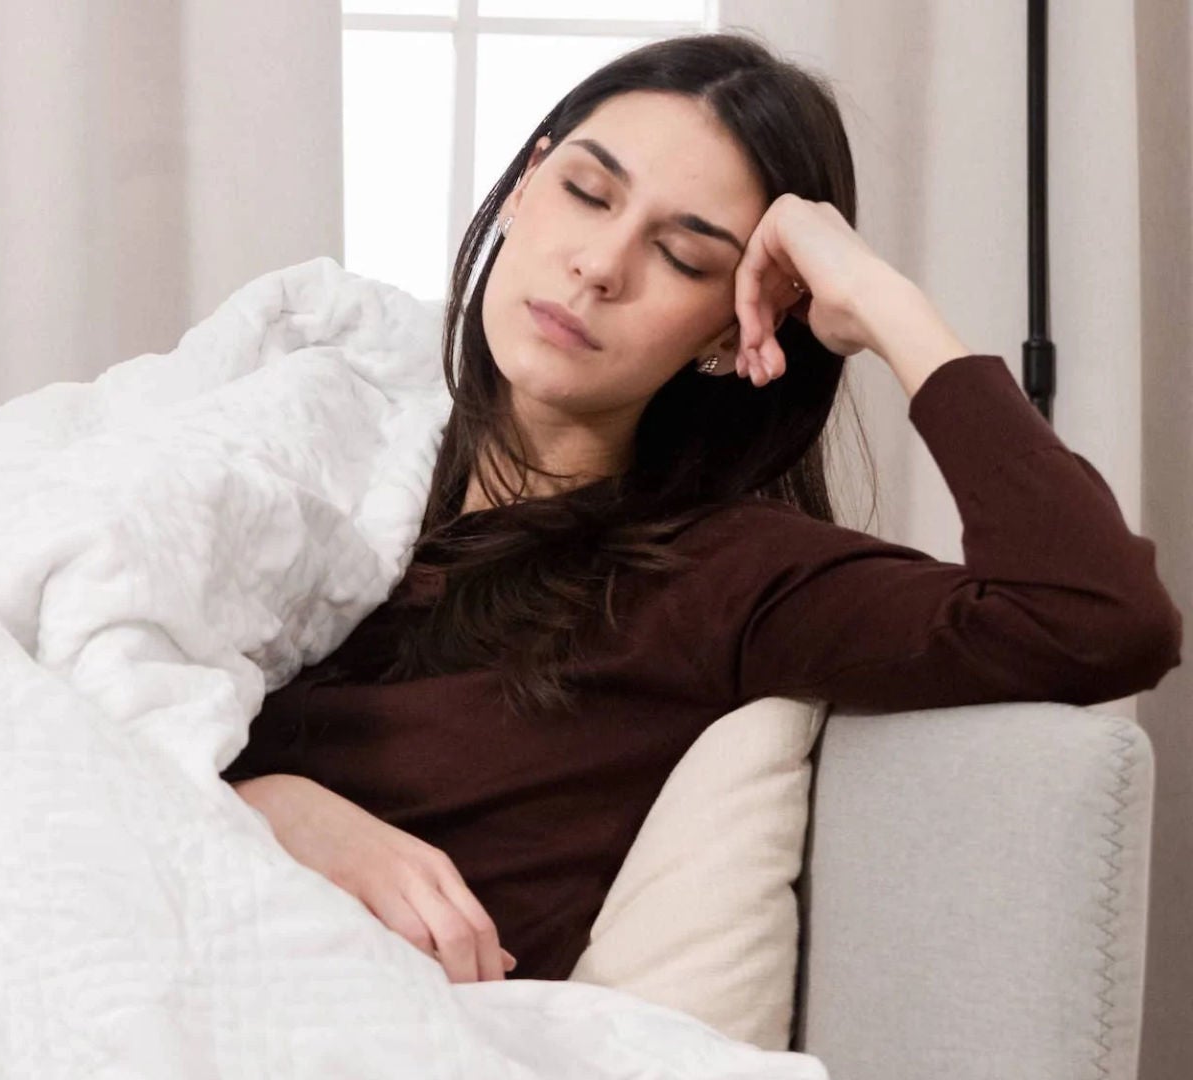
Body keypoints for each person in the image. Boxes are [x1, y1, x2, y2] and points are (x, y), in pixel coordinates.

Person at [219, 32, 1181, 987]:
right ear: (525, 186)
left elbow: (1098, 618)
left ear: (732, 326)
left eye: (680, 256)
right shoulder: (317, 451)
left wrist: (887, 307)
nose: (599, 265)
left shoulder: (722, 576)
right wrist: (271, 806)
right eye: (587, 194)